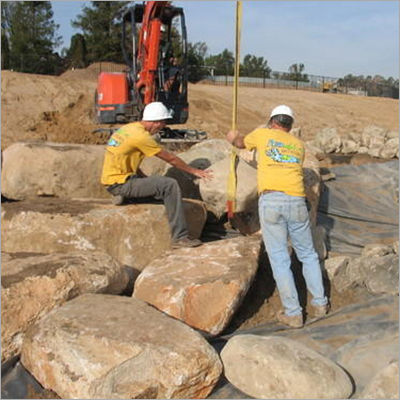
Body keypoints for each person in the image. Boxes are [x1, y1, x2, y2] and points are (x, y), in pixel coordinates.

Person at [226, 105, 329, 328]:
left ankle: (294, 313)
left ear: (271, 121)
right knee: (308, 254)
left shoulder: (262, 134)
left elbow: (242, 144)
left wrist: (233, 137)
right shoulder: (298, 145)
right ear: (290, 126)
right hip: (297, 200)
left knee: (280, 258)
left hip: (272, 201)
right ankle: (320, 304)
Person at [101, 101, 212, 249]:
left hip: (115, 180)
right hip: (121, 183)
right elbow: (170, 158)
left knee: (157, 189)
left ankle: (127, 196)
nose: (163, 127)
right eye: (163, 123)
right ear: (156, 122)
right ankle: (180, 237)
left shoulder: (128, 129)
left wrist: (143, 180)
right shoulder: (142, 137)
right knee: (169, 185)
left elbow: (130, 160)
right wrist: (194, 171)